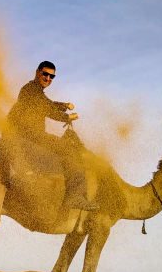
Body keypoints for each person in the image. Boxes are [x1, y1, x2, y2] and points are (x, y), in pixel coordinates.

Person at [5, 61, 98, 212]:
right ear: (37, 72)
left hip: (28, 136)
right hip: (32, 137)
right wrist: (66, 118)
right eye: (45, 74)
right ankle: (74, 195)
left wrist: (64, 105)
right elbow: (46, 108)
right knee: (69, 149)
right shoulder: (30, 90)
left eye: (52, 76)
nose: (48, 78)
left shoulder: (33, 90)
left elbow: (47, 104)